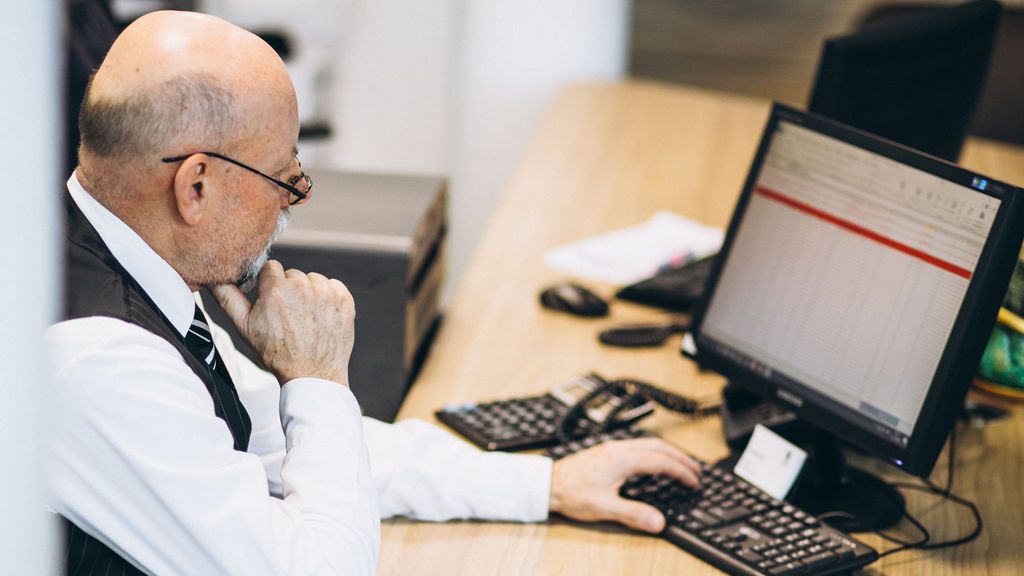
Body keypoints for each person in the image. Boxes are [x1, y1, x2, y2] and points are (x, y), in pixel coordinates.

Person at [47, 10, 702, 575]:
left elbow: (275, 440)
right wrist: (319, 375)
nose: (292, 204)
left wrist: (547, 483)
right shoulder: (100, 361)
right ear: (195, 187)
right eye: (287, 178)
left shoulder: (127, 256)